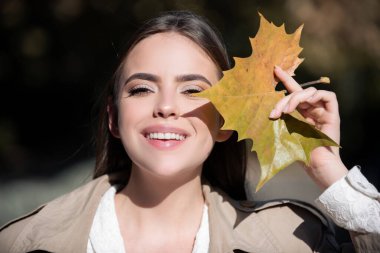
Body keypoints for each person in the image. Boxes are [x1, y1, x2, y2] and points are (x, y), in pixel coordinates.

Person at [0, 10, 379, 253]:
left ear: (225, 124)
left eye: (194, 91)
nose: (166, 106)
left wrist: (330, 169)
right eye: (142, 88)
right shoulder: (24, 242)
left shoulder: (291, 241)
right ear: (114, 118)